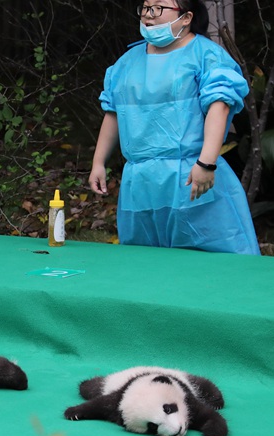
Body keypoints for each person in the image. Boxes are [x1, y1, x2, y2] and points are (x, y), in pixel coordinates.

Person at [89, 0, 260, 255]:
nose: (148, 15)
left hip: (192, 174)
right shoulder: (127, 63)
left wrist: (206, 163)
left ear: (186, 17)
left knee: (212, 265)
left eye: (158, 8)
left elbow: (220, 107)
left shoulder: (206, 56)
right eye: (145, 8)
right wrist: (98, 162)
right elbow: (114, 111)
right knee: (145, 263)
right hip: (141, 182)